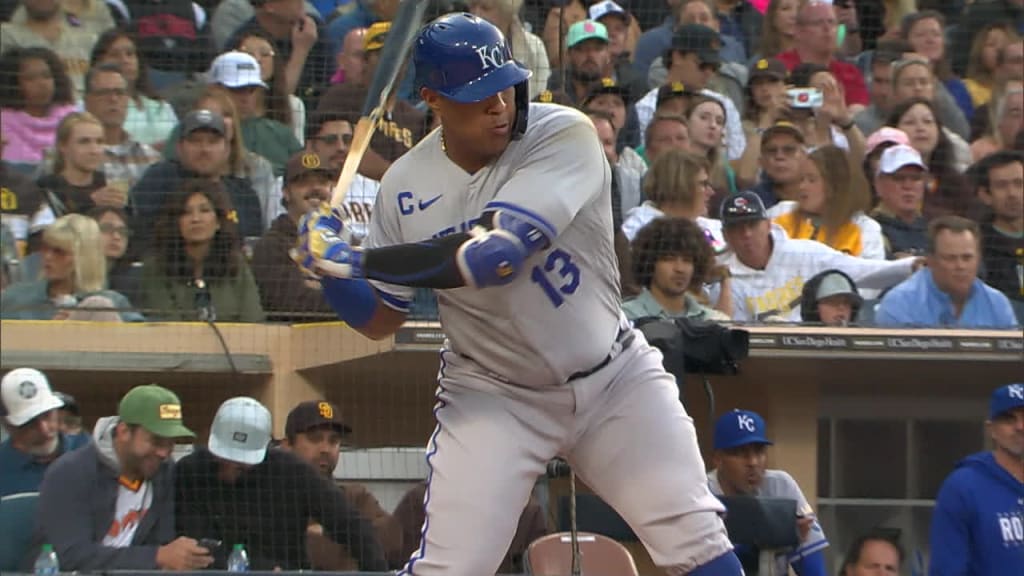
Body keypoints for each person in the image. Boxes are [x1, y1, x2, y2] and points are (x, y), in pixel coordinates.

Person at [293, 12, 743, 576]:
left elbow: (493, 256)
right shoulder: (404, 185)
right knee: (449, 570)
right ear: (432, 98)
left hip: (612, 379)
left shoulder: (562, 134)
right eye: (476, 96)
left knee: (698, 541)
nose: (499, 105)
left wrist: (355, 258)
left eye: (502, 87)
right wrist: (331, 274)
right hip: (494, 395)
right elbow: (381, 318)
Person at [174, 397, 387, 570]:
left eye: (241, 464)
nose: (230, 468)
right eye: (224, 459)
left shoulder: (292, 473)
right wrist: (262, 568)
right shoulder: (191, 473)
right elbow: (195, 548)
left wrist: (377, 572)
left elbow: (352, 526)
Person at [25, 384, 211, 571]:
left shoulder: (162, 469)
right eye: (156, 441)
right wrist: (157, 556)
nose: (164, 452)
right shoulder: (69, 473)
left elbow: (162, 540)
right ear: (123, 432)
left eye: (171, 443)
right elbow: (69, 556)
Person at [718, 191, 917, 322]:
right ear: (725, 235)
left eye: (752, 225)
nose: (746, 234)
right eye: (736, 228)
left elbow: (864, 271)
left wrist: (911, 266)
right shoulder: (724, 276)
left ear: (768, 224)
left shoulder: (805, 253)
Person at [279, 400, 405, 569]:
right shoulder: (270, 498)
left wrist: (321, 534)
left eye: (333, 441)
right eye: (315, 439)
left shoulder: (355, 497)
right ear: (287, 446)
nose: (326, 449)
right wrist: (353, 542)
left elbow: (391, 538)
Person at [708, 409, 829, 576]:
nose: (753, 462)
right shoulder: (702, 494)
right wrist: (774, 539)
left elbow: (813, 567)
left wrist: (792, 540)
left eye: (758, 451)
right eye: (741, 453)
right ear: (718, 459)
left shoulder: (781, 486)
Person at [929, 383, 1024, 576]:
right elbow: (947, 569)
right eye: (1008, 419)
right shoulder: (963, 486)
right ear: (991, 429)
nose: (1020, 426)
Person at [875, 216, 1019, 328]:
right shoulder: (900, 303)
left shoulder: (997, 304)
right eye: (950, 258)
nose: (960, 266)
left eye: (967, 258)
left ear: (978, 259)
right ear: (931, 260)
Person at [251, 151, 338, 319]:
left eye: (322, 182)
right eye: (304, 182)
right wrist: (345, 296)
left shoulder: (346, 239)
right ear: (286, 192)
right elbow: (290, 304)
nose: (315, 189)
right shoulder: (271, 246)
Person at [0, 367, 89, 497]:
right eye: (30, 422)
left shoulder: (94, 454)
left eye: (47, 415)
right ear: (8, 425)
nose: (44, 429)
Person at [622, 217, 730, 322]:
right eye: (669, 259)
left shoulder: (712, 321)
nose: (680, 268)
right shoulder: (625, 318)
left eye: (687, 260)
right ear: (649, 262)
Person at [971, 150, 1024, 305]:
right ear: (985, 195)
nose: (1012, 193)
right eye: (1002, 186)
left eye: (1019, 184)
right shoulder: (976, 244)